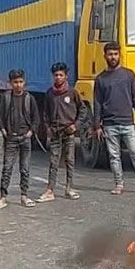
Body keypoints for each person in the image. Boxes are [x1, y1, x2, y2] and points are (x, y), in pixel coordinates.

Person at [94, 43, 135, 195]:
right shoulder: (100, 79)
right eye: (110, 54)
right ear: (105, 56)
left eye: (115, 54)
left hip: (128, 123)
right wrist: (97, 125)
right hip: (109, 124)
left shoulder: (129, 75)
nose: (113, 57)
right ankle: (119, 184)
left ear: (119, 55)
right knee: (114, 156)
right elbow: (97, 103)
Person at [0, 69, 39, 209]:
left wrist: (31, 131)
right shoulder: (6, 98)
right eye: (15, 82)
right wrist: (3, 131)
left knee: (25, 168)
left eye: (20, 82)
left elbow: (36, 118)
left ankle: (24, 195)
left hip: (25, 138)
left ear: (24, 82)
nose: (18, 85)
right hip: (11, 139)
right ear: (10, 83)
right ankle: (2, 197)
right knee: (7, 168)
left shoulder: (29, 98)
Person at [38, 62, 83, 202]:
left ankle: (69, 188)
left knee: (69, 160)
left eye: (61, 75)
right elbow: (45, 113)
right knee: (53, 161)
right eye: (56, 75)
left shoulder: (72, 92)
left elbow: (82, 110)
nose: (58, 77)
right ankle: (50, 190)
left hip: (68, 131)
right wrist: (48, 128)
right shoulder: (50, 93)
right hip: (55, 131)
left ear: (66, 76)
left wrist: (76, 125)